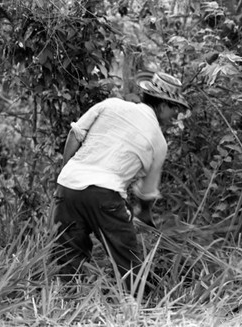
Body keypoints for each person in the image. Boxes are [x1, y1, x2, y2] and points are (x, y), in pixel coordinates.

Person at [51, 71, 189, 290]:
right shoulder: (159, 142)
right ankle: (142, 310)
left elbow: (75, 135)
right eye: (175, 108)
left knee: (68, 256)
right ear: (162, 106)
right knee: (129, 264)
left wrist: (67, 174)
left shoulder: (110, 105)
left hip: (68, 186)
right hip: (106, 194)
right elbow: (146, 193)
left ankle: (65, 304)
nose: (176, 115)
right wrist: (144, 216)